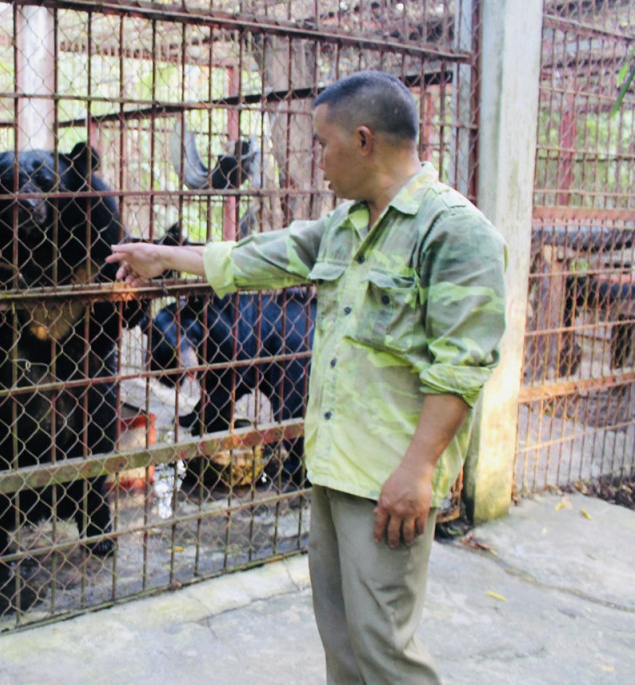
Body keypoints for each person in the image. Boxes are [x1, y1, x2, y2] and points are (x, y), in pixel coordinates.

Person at [107, 70, 507, 684]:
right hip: (331, 466)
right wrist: (162, 258)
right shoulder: (346, 227)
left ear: (365, 140)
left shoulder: (453, 233)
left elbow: (462, 368)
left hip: (388, 480)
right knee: (343, 645)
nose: (316, 159)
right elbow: (256, 257)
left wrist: (418, 471)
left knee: (385, 651)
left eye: (323, 143)